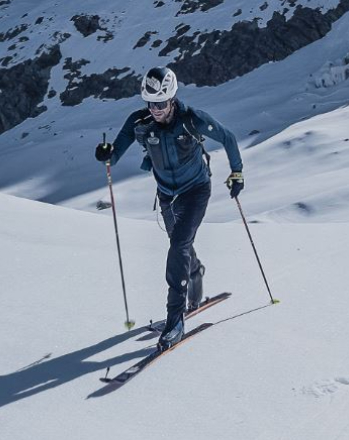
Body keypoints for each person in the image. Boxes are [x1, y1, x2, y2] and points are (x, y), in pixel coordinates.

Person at [95, 66, 244, 351]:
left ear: (172, 99)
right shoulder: (139, 122)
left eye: (161, 103)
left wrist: (237, 174)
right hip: (166, 195)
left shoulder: (192, 119)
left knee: (178, 246)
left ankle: (175, 320)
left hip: (196, 191)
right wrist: (106, 154)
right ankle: (196, 272)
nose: (156, 109)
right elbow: (115, 152)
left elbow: (229, 138)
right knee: (181, 246)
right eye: (151, 103)